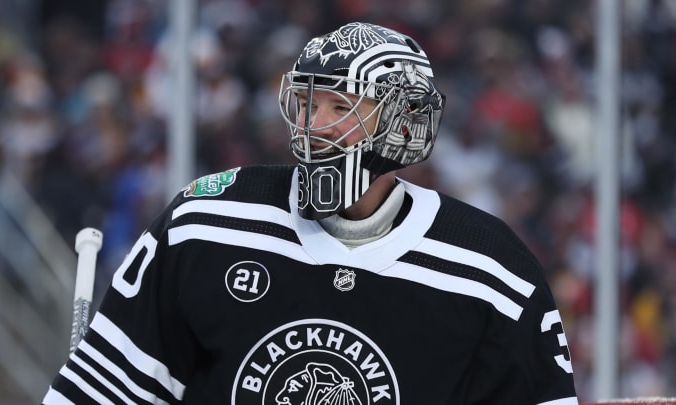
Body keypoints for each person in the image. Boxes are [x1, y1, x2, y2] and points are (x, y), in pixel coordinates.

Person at [43, 22, 578, 404]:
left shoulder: (493, 270)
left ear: (403, 123)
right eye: (308, 102)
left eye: (342, 107)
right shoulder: (205, 222)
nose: (314, 123)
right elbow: (106, 387)